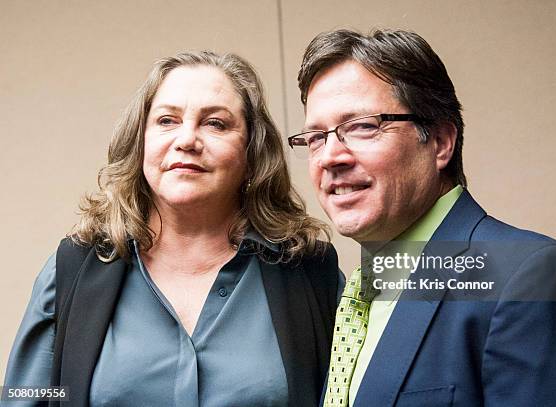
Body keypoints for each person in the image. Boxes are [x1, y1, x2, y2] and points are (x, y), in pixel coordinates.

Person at [288, 29, 556, 406]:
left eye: (363, 126)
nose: (330, 156)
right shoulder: (350, 300)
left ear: (441, 142)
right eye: (315, 137)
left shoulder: (537, 278)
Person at [4, 51, 342, 407]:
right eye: (167, 120)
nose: (187, 140)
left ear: (251, 151)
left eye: (216, 124)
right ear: (141, 142)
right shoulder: (71, 271)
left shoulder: (309, 273)